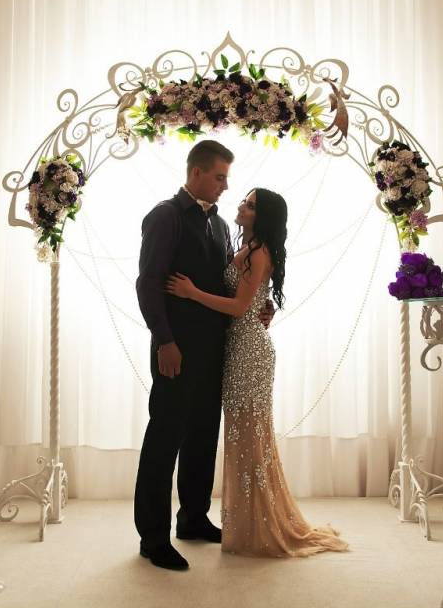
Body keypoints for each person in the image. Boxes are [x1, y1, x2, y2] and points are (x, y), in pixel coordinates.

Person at [166, 187, 349, 557]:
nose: (241, 206)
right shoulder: (247, 248)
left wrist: (191, 292)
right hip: (239, 347)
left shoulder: (259, 251)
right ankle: (250, 524)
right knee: (243, 438)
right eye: (245, 202)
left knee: (249, 438)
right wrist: (263, 306)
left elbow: (238, 307)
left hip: (249, 353)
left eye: (250, 206)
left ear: (262, 217)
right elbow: (252, 300)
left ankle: (261, 526)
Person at [133, 140, 272, 571]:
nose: (225, 186)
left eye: (227, 178)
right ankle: (153, 538)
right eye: (219, 177)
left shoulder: (221, 225)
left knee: (202, 437)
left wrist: (260, 305)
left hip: (216, 350)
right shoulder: (165, 216)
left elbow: (228, 283)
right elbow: (147, 283)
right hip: (176, 348)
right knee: (165, 438)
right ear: (196, 172)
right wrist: (164, 341)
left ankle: (193, 518)